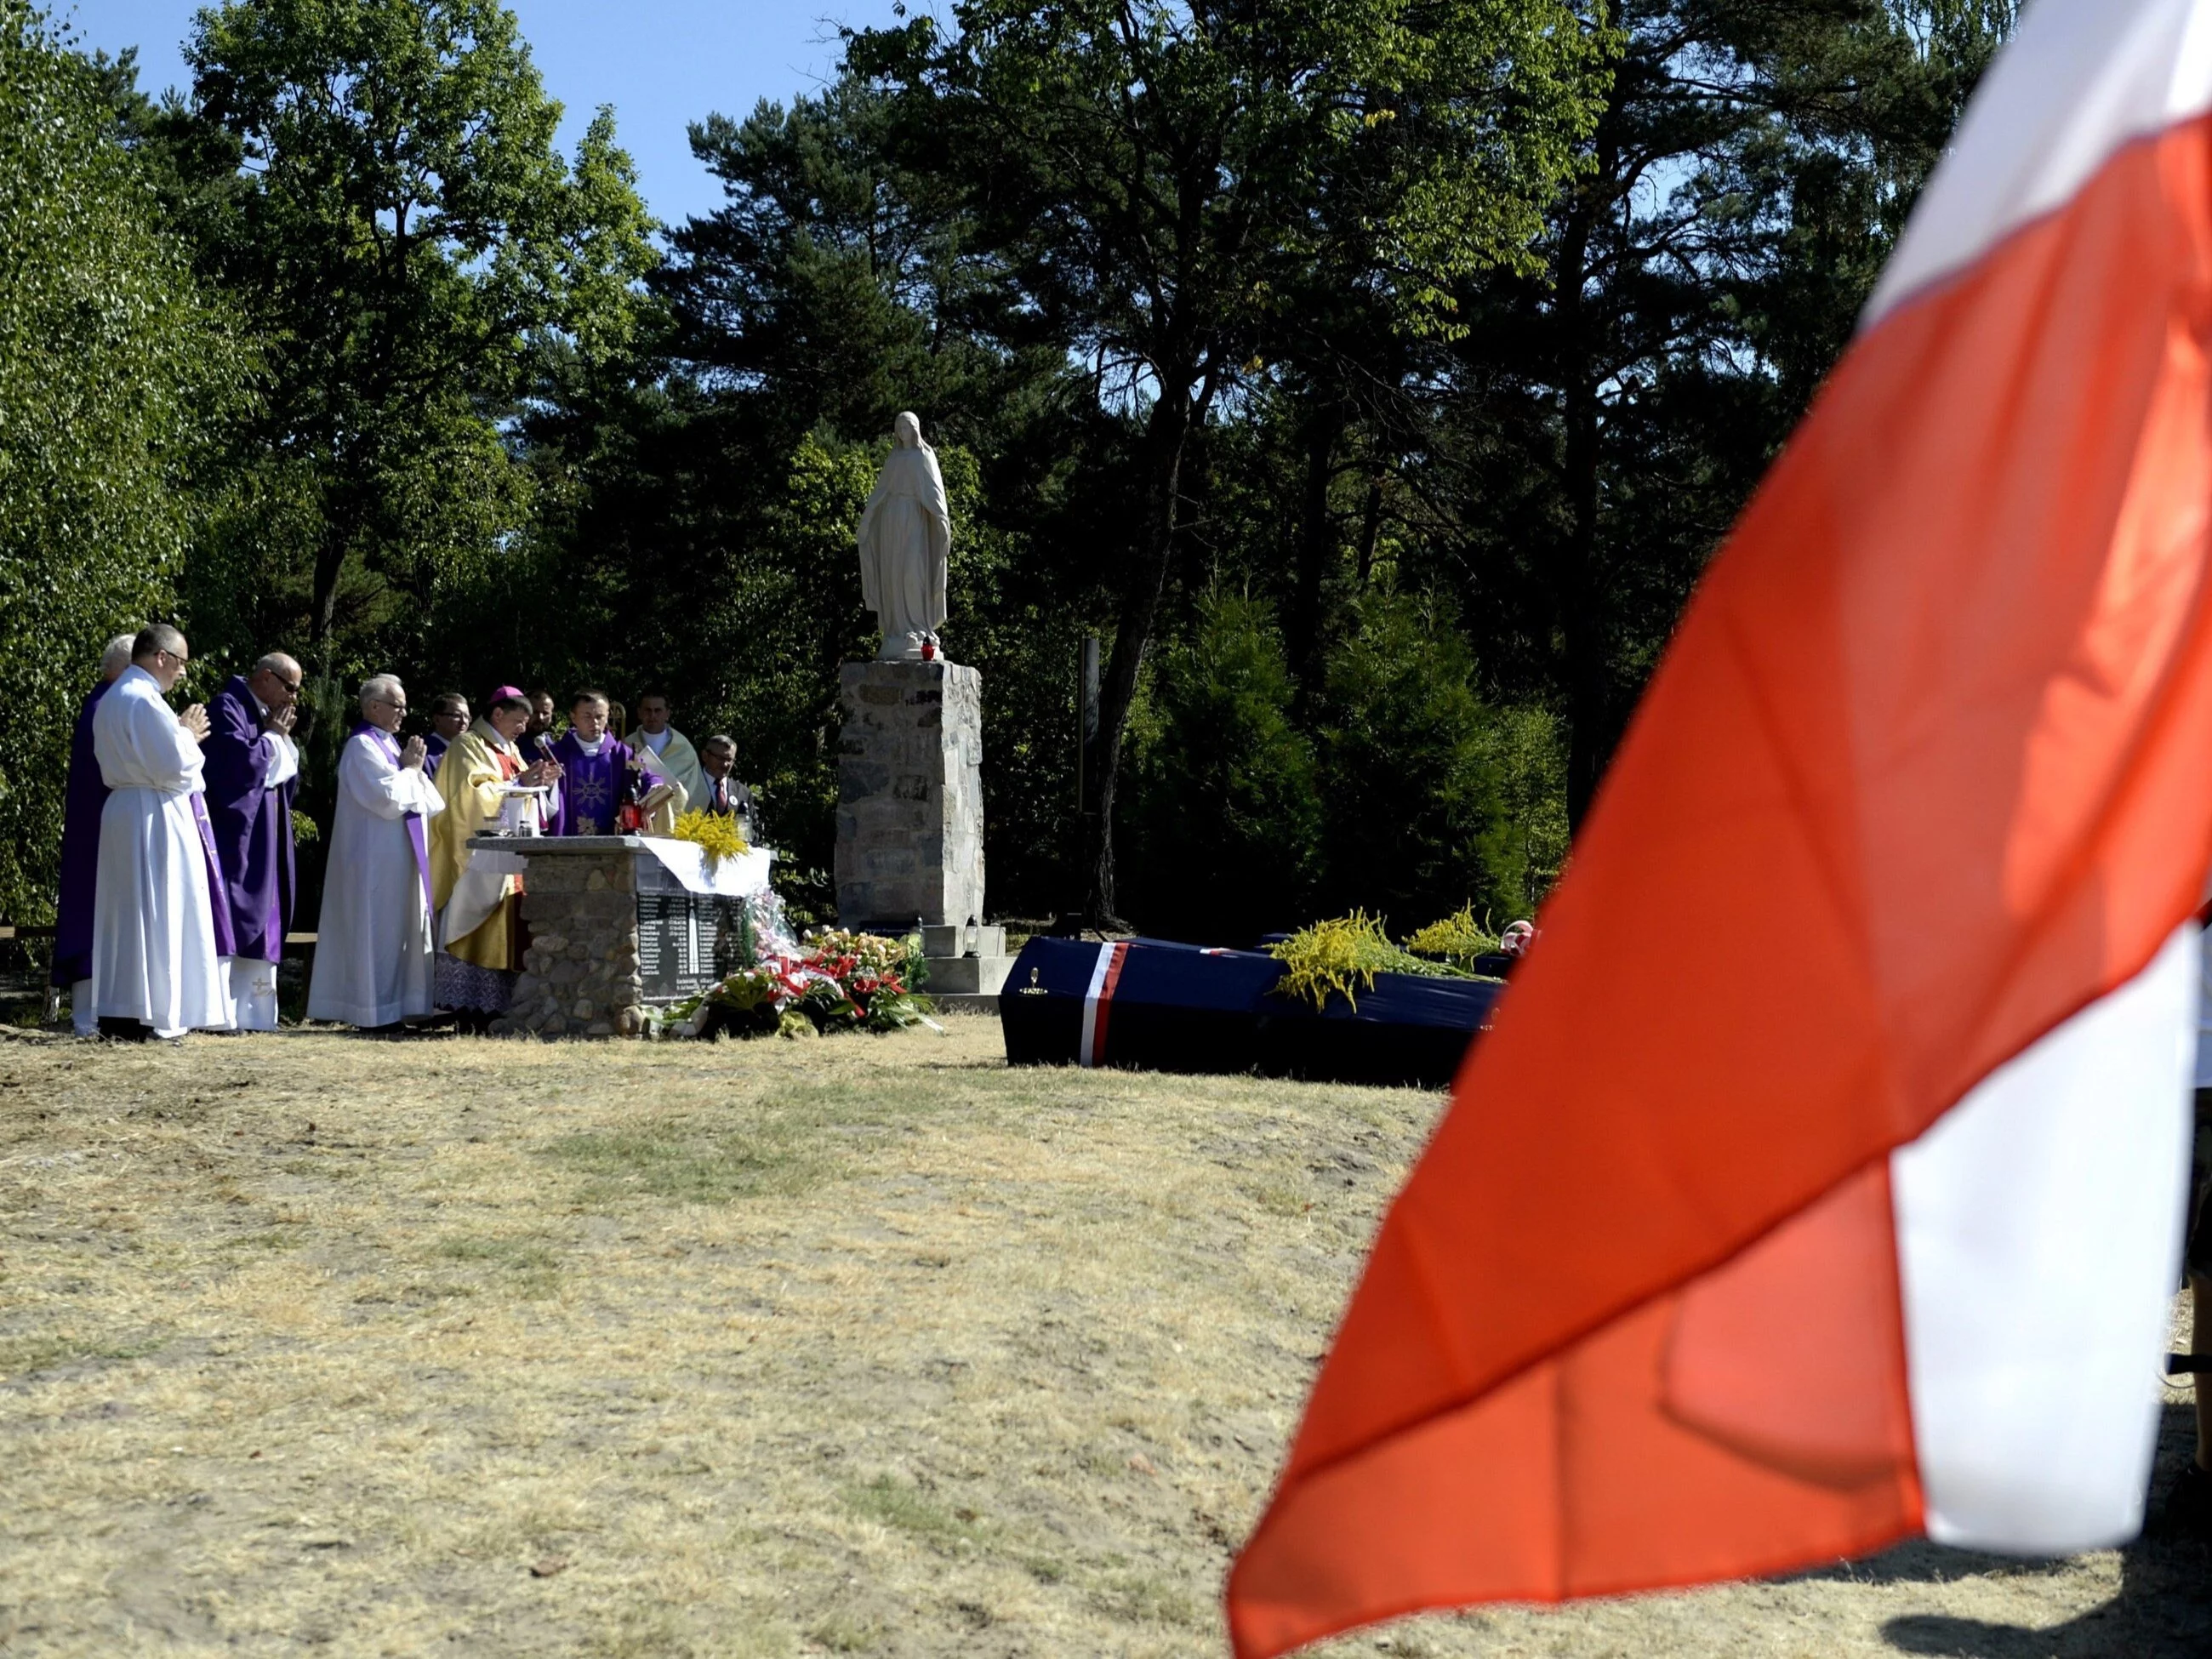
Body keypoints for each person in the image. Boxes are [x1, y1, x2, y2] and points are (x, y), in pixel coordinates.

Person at [89, 625, 233, 1040]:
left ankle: (125, 1008)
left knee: (127, 914)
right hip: (152, 812)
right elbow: (174, 768)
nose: (183, 674)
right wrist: (187, 736)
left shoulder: (115, 699)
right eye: (182, 663)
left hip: (123, 810)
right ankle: (153, 1013)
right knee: (158, 909)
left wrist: (179, 737)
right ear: (162, 658)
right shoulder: (145, 701)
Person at [306, 675, 446, 1030]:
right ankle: (374, 1012)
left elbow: (431, 800)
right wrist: (411, 770)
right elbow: (386, 799)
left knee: (401, 930)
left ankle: (402, 1007)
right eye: (397, 705)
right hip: (373, 858)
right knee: (377, 931)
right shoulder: (361, 747)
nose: (403, 712)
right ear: (373, 707)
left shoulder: (389, 745)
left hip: (398, 856)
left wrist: (411, 772)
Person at [430, 691, 556, 1032]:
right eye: (517, 722)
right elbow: (469, 798)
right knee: (475, 922)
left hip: (510, 856)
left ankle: (501, 1006)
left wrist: (542, 785)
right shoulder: (467, 746)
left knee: (510, 924)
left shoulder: (511, 750)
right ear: (498, 714)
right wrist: (520, 783)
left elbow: (524, 797)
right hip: (475, 860)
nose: (521, 730)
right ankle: (468, 1008)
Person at [202, 653, 302, 1030]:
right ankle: (223, 1015)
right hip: (238, 835)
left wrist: (278, 739)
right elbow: (237, 767)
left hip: (267, 830)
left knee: (268, 915)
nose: (293, 698)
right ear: (264, 677)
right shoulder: (227, 707)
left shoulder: (264, 715)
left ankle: (258, 1016)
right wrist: (274, 739)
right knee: (236, 911)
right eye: (289, 687)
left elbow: (284, 772)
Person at [52, 633, 139, 1035]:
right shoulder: (111, 705)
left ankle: (101, 1013)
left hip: (99, 821)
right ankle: (92, 1016)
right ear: (124, 667)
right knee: (97, 911)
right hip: (104, 826)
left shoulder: (102, 703)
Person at [857, 410, 952, 661]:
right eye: (898, 428)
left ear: (915, 429)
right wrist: (867, 520)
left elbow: (935, 492)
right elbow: (880, 492)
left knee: (913, 572)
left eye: (905, 427)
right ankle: (898, 631)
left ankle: (919, 628)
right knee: (895, 575)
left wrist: (942, 520)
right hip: (892, 520)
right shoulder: (894, 459)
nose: (902, 432)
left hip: (914, 519)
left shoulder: (924, 456)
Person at [545, 688, 682, 835]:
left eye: (600, 716)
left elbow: (649, 778)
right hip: (568, 842)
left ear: (607, 716)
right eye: (587, 717)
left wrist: (654, 788)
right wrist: (546, 786)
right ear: (573, 717)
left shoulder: (622, 754)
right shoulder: (556, 755)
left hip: (613, 842)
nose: (595, 723)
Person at [633, 692, 705, 811]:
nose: (652, 715)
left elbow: (695, 788)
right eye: (647, 710)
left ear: (667, 714)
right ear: (639, 713)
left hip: (675, 820)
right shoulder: (626, 745)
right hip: (637, 816)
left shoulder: (684, 748)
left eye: (658, 710)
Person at [696, 734, 759, 840]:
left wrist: (742, 834)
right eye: (720, 758)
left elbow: (755, 833)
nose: (725, 764)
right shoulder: (689, 785)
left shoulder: (743, 793)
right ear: (705, 756)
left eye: (729, 760)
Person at [425, 693, 470, 777]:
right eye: (457, 715)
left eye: (467, 716)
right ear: (437, 719)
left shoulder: (467, 752)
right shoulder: (424, 752)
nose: (463, 721)